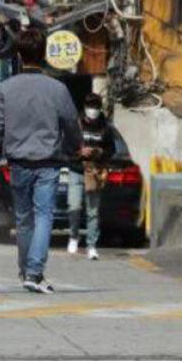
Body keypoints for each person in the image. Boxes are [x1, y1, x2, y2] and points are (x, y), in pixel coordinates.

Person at [0, 28, 81, 294]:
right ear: (45, 54)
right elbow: (71, 123)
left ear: (19, 56)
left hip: (18, 163)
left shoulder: (5, 88)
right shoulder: (58, 89)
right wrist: (74, 149)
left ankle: (27, 271)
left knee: (24, 219)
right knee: (44, 215)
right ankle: (34, 272)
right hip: (48, 161)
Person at [67, 93, 114, 261]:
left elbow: (111, 149)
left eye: (95, 107)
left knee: (93, 211)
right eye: (90, 106)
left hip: (94, 171)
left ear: (99, 108)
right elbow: (67, 148)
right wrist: (80, 152)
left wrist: (99, 152)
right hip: (77, 170)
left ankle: (91, 245)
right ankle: (73, 236)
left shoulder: (106, 127)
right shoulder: (76, 125)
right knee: (74, 206)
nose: (92, 110)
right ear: (85, 107)